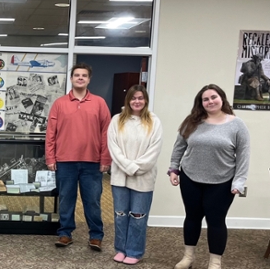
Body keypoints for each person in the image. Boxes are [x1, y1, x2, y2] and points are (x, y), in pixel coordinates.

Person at [169, 84, 250, 269]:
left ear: (222, 98)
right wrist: (173, 169)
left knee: (216, 221)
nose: (210, 101)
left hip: (222, 182)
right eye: (205, 99)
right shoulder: (192, 121)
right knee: (192, 218)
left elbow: (244, 155)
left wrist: (239, 181)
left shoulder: (237, 124)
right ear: (201, 102)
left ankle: (215, 262)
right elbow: (179, 147)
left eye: (213, 97)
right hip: (190, 178)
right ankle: (188, 257)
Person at [45, 63, 111, 251]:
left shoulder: (99, 103)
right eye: (76, 75)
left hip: (92, 162)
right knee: (66, 199)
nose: (80, 78)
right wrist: (50, 157)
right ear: (72, 79)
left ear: (89, 79)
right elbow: (51, 133)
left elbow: (107, 133)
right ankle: (65, 234)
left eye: (84, 75)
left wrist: (106, 159)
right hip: (65, 161)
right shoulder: (60, 103)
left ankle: (96, 236)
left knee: (92, 200)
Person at [107, 85, 163, 265]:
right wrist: (128, 167)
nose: (136, 101)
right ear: (128, 100)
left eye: (140, 98)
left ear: (145, 100)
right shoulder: (117, 120)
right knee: (120, 214)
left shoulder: (154, 122)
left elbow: (153, 152)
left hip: (143, 177)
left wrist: (134, 168)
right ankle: (121, 249)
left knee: (138, 216)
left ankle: (134, 251)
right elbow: (113, 149)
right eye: (133, 98)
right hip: (119, 177)